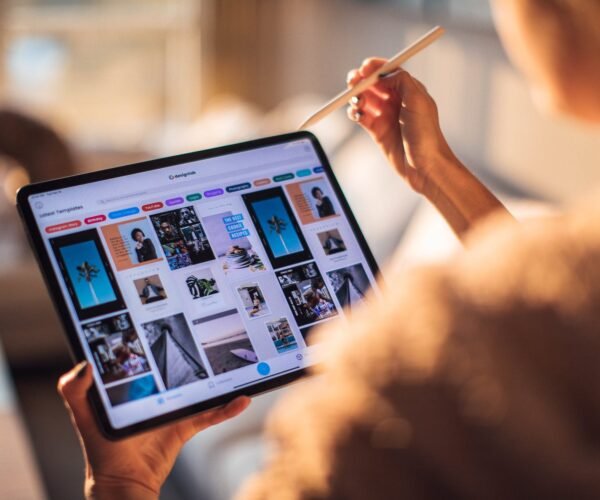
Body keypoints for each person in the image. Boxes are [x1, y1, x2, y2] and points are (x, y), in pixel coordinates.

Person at [58, 1, 600, 498]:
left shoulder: (414, 362)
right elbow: (542, 296)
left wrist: (123, 481)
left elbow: (526, 314)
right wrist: (435, 172)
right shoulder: (562, 298)